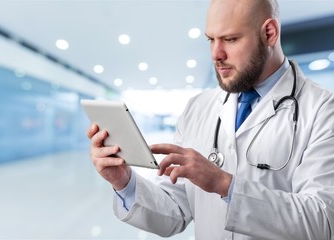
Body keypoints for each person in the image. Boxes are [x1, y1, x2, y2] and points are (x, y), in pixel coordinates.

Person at [86, 0, 334, 239]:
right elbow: (175, 211)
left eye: (230, 39)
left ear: (270, 33)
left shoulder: (322, 109)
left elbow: (323, 222)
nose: (216, 54)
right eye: (211, 40)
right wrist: (124, 183)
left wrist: (224, 184)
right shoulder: (199, 107)